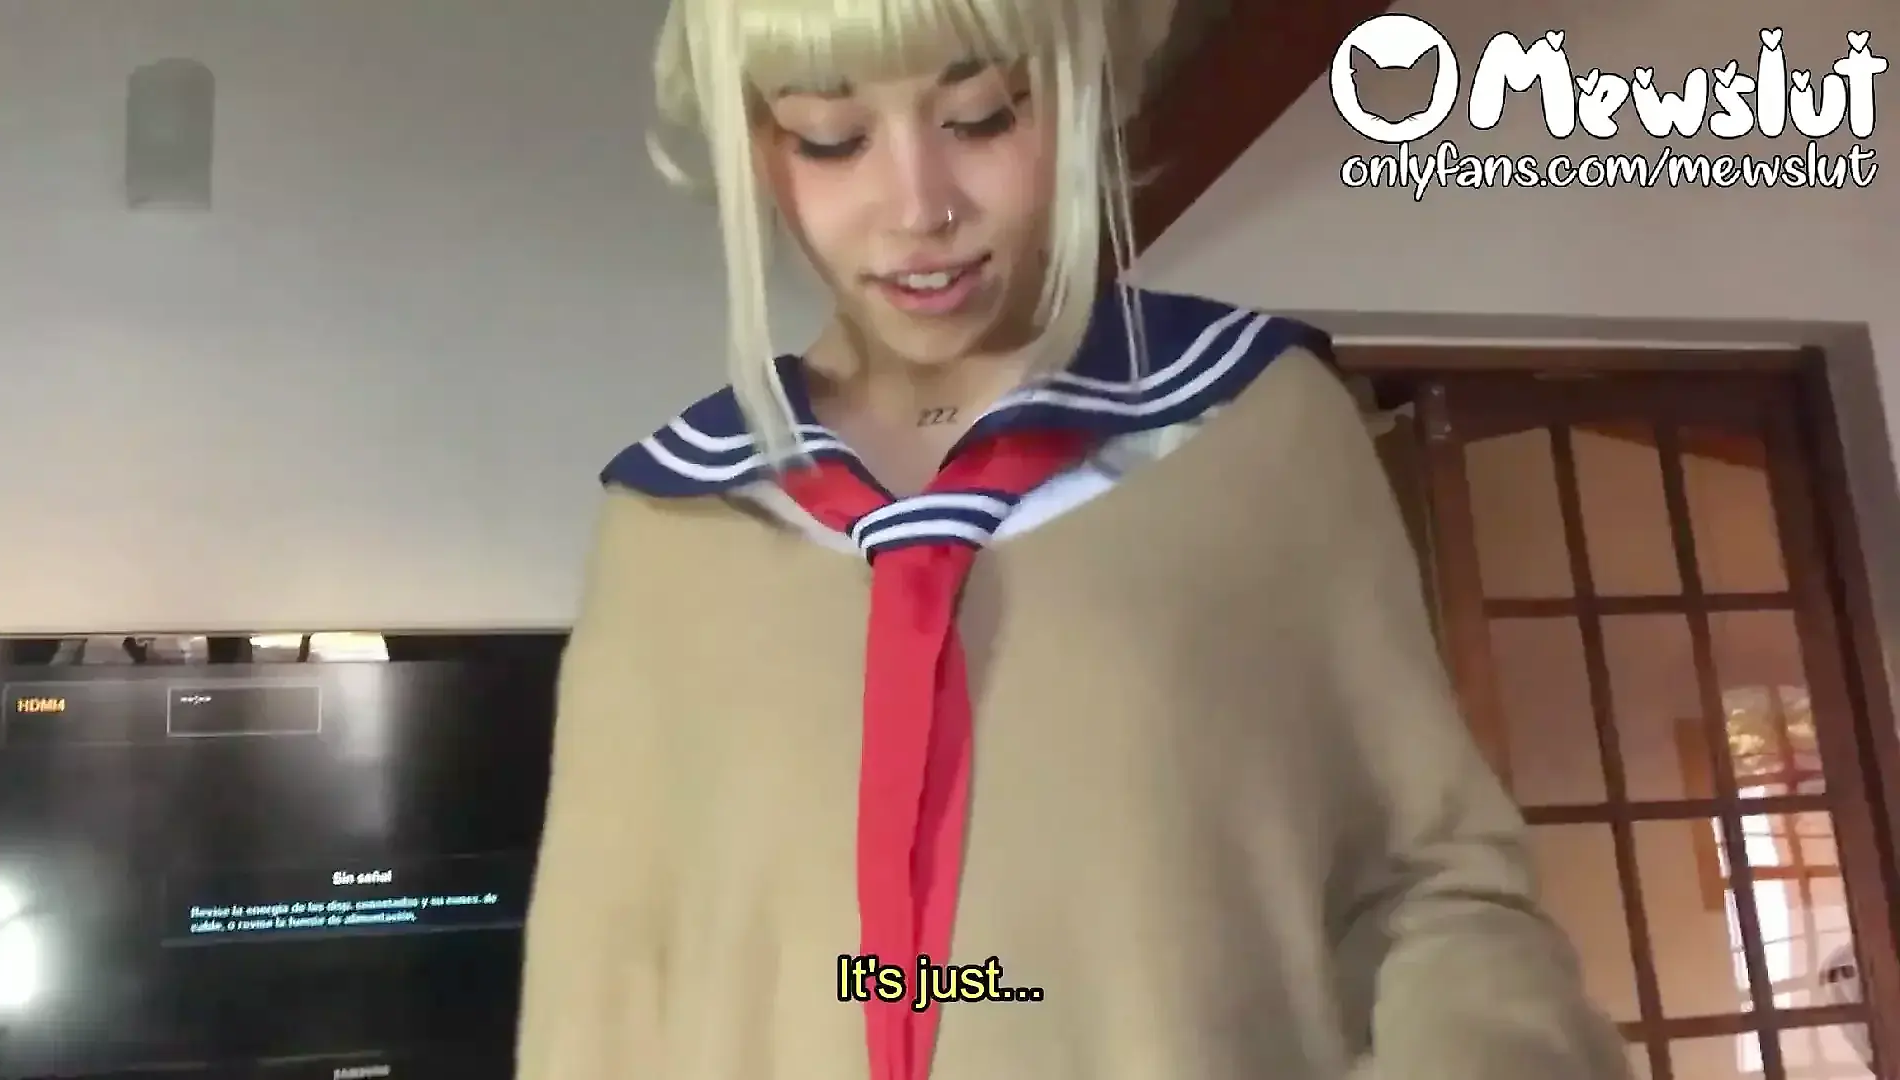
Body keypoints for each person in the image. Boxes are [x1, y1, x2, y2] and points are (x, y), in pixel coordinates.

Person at [515, 0, 1633, 1077]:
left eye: (983, 117)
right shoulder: (672, 526)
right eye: (833, 137)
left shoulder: (1256, 435)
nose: (918, 207)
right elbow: (596, 997)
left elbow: (1433, 886)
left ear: (1084, 89)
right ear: (757, 145)